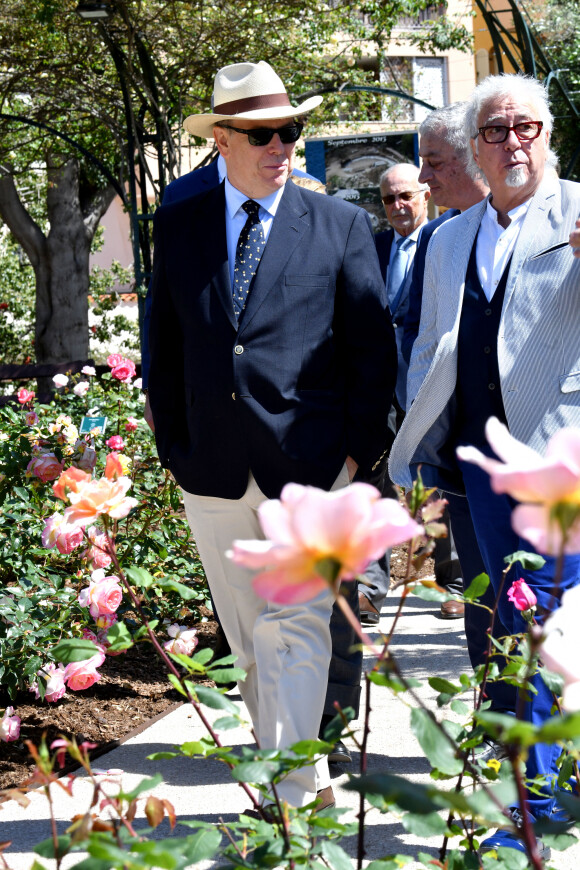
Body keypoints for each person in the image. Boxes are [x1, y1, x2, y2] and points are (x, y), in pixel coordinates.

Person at [148, 60, 396, 811]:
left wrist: (356, 459)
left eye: (290, 130)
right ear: (222, 138)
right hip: (213, 470)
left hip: (314, 469)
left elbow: (372, 352)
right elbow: (162, 342)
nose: (280, 145)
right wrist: (175, 451)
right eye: (261, 133)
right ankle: (292, 782)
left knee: (300, 629)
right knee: (254, 642)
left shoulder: (342, 224)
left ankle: (289, 801)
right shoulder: (182, 223)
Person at [389, 73, 580, 857]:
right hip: (469, 465)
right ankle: (533, 779)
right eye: (496, 131)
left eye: (526, 127)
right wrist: (414, 446)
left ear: (549, 136)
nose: (513, 144)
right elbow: (436, 346)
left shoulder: (577, 212)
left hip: (555, 459)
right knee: (507, 623)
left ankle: (538, 795)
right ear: (475, 148)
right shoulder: (449, 237)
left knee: (536, 621)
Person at [354, 165, 429, 627]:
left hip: (426, 384)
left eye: (405, 196)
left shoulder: (446, 239)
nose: (397, 206)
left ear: (424, 194)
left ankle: (456, 578)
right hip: (379, 386)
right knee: (371, 482)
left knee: (435, 481)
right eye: (388, 200)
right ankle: (368, 590)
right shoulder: (373, 247)